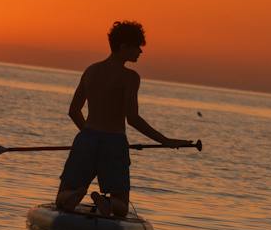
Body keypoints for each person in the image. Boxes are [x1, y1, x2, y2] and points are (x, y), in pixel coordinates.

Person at [55, 21, 193, 218]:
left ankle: (73, 196)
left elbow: (73, 111)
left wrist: (88, 133)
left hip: (86, 140)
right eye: (137, 46)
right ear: (123, 47)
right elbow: (133, 119)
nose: (140, 52)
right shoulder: (130, 77)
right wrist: (166, 141)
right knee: (121, 206)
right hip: (114, 143)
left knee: (62, 195)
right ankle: (109, 202)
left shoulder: (91, 70)